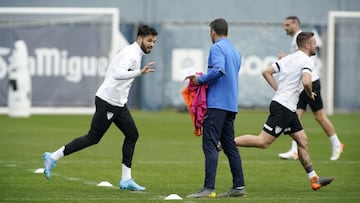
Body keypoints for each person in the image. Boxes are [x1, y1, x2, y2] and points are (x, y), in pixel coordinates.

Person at [42, 24, 158, 191]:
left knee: (132, 134)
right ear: (139, 38)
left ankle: (126, 179)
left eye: (154, 41)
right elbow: (118, 74)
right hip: (108, 101)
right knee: (93, 138)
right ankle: (52, 157)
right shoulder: (131, 55)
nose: (152, 44)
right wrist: (139, 72)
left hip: (118, 103)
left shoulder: (135, 52)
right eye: (149, 41)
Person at [235, 32, 334, 191]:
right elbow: (307, 81)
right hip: (284, 108)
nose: (316, 46)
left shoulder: (289, 58)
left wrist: (278, 89)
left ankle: (314, 179)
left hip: (287, 107)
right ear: (307, 45)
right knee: (263, 142)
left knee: (302, 140)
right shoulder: (307, 60)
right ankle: (225, 143)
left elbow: (266, 72)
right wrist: (309, 94)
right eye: (314, 43)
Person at [186, 18, 246, 198]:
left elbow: (219, 70)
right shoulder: (236, 52)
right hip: (230, 104)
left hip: (217, 104)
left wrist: (200, 79)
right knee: (229, 146)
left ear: (213, 31)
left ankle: (208, 188)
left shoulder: (216, 48)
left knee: (210, 145)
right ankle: (239, 187)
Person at [278, 16, 344, 161]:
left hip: (310, 82)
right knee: (295, 116)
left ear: (296, 24)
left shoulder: (303, 39)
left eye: (287, 25)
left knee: (319, 116)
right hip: (302, 83)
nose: (285, 27)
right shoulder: (296, 38)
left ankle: (337, 144)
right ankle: (295, 150)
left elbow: (303, 61)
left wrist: (284, 60)